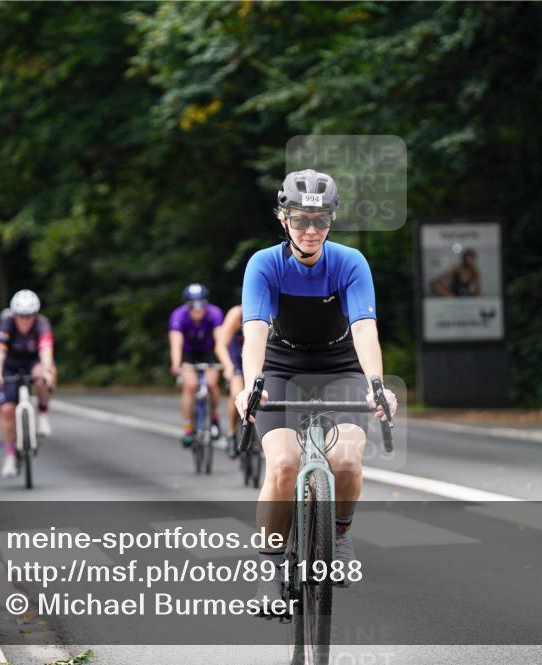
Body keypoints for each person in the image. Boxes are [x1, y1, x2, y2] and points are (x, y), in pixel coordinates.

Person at [234, 169, 398, 610]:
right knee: (283, 464)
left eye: (321, 220)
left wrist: (376, 385)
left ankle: (339, 535)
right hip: (281, 367)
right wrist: (250, 387)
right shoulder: (264, 264)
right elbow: (255, 331)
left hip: (338, 366)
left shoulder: (349, 262)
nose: (310, 230)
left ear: (332, 220)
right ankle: (269, 571)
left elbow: (364, 328)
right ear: (283, 218)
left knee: (346, 458)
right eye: (300, 219)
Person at [0, 289, 57, 478]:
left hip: (33, 362)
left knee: (45, 374)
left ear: (35, 315)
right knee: (6, 410)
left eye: (29, 316)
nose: (25, 320)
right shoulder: (6, 323)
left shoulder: (42, 323)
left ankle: (42, 414)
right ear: (14, 314)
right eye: (21, 316)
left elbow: (46, 349)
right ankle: (10, 456)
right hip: (10, 365)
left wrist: (46, 370)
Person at [169, 283, 224, 448]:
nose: (197, 309)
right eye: (193, 305)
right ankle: (188, 428)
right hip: (188, 353)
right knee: (190, 385)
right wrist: (176, 363)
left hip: (208, 351)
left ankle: (214, 418)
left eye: (201, 304)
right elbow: (176, 342)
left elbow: (220, 340)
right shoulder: (178, 315)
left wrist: (224, 361)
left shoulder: (214, 313)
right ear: (187, 305)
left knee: (211, 384)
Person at [214, 304, 245, 458]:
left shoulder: (271, 311)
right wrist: (228, 366)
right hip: (236, 359)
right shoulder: (237, 313)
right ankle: (232, 433)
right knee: (236, 394)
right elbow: (220, 345)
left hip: (260, 358)